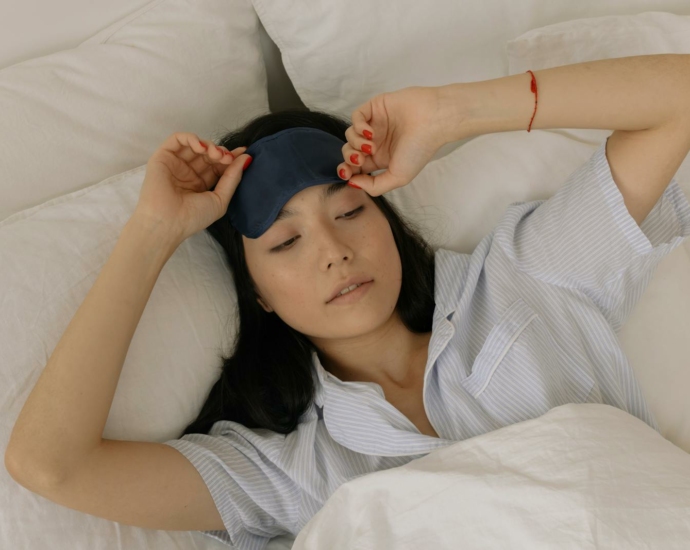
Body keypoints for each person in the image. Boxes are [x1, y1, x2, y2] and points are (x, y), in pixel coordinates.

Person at [7, 54, 690, 550]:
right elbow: (49, 464)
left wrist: (454, 111)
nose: (333, 250)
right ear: (260, 298)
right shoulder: (286, 469)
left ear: (387, 217)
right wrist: (153, 232)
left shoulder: (528, 276)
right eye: (285, 243)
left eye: (351, 212)